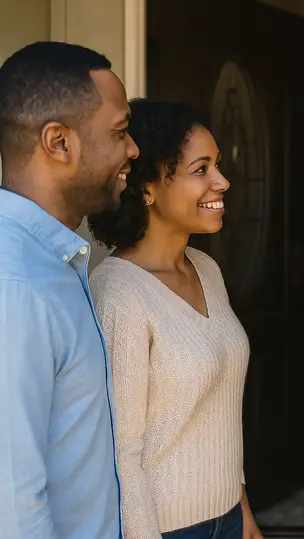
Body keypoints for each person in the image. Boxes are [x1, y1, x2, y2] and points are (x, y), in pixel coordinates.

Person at [87, 98, 262, 539]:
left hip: (227, 516)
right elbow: (121, 454)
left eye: (217, 166)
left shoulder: (206, 269)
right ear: (147, 186)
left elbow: (221, 416)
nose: (222, 181)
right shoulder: (119, 294)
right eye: (201, 169)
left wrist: (242, 513)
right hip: (168, 528)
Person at [0, 41, 138, 538]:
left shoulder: (52, 261)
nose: (133, 149)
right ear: (59, 143)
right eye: (120, 132)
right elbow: (11, 506)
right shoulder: (13, 283)